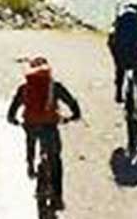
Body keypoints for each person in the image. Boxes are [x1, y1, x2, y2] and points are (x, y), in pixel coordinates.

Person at [5, 57, 82, 200]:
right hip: (50, 124)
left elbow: (13, 109)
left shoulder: (25, 87)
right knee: (55, 158)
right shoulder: (55, 86)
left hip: (31, 124)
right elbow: (71, 102)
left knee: (31, 140)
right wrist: (75, 115)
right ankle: (58, 196)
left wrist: (13, 119)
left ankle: (30, 165)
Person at [109, 2, 137, 123]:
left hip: (121, 56)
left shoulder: (117, 23)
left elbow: (111, 40)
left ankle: (118, 93)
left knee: (119, 70)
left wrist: (115, 54)